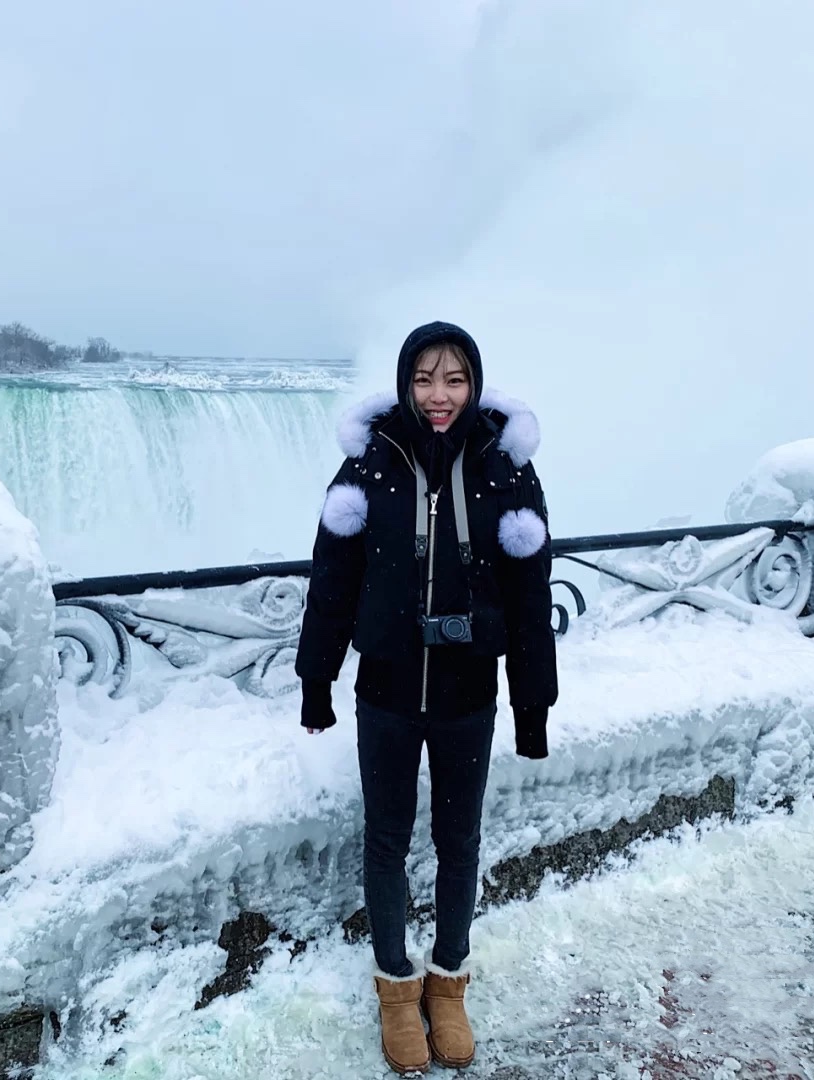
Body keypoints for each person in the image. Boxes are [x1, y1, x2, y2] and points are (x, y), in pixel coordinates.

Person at [295, 321, 558, 1074]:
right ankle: (394, 987)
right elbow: (333, 579)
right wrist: (317, 679)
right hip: (384, 690)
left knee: (458, 841)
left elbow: (530, 594)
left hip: (467, 694)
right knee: (385, 840)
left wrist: (532, 702)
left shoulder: (505, 467)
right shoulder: (369, 462)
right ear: (405, 383)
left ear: (473, 384)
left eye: (454, 379)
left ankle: (448, 983)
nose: (438, 395)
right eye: (423, 378)